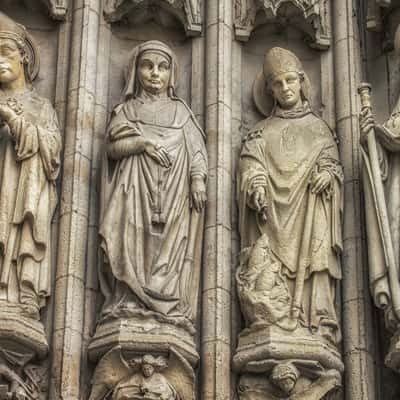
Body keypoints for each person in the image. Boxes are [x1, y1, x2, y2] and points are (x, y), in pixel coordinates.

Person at [98, 41, 207, 333]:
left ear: (172, 75)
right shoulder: (128, 109)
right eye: (148, 66)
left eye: (163, 67)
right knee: (132, 242)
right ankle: (130, 301)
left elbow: (197, 151)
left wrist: (197, 179)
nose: (155, 73)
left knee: (170, 250)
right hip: (134, 191)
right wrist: (142, 143)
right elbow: (113, 148)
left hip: (175, 195)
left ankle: (169, 305)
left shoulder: (181, 113)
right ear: (136, 71)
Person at [238, 47, 343, 344]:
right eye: (278, 84)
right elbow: (251, 164)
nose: (285, 89)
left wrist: (328, 174)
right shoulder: (261, 132)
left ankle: (319, 319)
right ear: (269, 90)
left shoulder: (319, 129)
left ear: (301, 81)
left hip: (313, 213)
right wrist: (255, 186)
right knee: (265, 264)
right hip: (273, 220)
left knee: (318, 257)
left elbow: (331, 163)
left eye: (290, 81)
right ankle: (275, 315)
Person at [0, 12, 61, 320]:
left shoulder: (40, 106)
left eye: (5, 53)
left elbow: (52, 153)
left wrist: (16, 123)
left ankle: (21, 290)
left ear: (23, 56)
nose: (0, 62)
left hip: (22, 190)